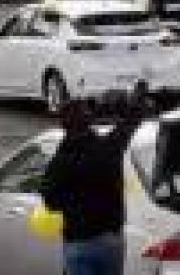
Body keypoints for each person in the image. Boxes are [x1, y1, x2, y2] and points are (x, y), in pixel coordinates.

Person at [40, 93, 150, 275]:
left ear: (64, 126)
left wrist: (73, 207)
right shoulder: (110, 147)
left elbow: (50, 201)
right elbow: (131, 122)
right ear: (89, 121)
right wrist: (134, 99)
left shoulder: (61, 161)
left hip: (80, 241)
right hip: (111, 239)